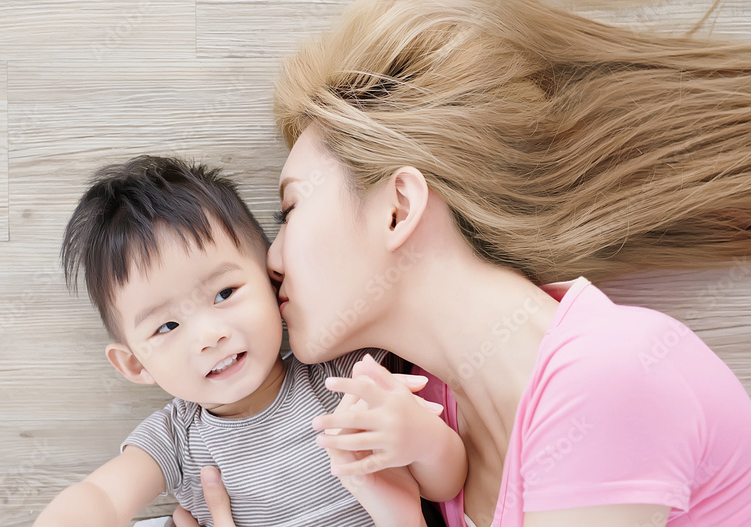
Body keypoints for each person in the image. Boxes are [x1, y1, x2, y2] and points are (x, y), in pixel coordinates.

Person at [172, 0, 751, 526]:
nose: (269, 260)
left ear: (398, 208)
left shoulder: (610, 374)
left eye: (289, 210)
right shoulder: (436, 415)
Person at [32, 155, 467, 527]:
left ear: (271, 280)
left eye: (224, 294)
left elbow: (446, 484)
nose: (210, 335)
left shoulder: (342, 374)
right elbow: (102, 496)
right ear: (136, 365)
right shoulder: (176, 441)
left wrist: (422, 440)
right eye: (166, 327)